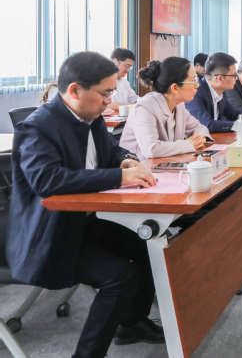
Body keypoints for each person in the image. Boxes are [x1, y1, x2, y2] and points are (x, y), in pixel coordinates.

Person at [7, 51, 164, 358]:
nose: (109, 101)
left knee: (150, 244)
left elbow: (110, 150)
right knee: (121, 276)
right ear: (75, 90)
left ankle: (131, 324)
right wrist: (119, 178)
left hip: (85, 222)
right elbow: (48, 181)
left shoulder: (90, 116)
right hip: (49, 235)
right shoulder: (37, 128)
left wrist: (125, 160)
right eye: (105, 94)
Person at [120, 57, 210, 159]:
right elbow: (152, 149)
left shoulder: (178, 105)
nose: (197, 85)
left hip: (165, 163)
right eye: (193, 80)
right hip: (138, 165)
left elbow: (199, 128)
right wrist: (189, 144)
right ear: (175, 88)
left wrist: (200, 139)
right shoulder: (145, 108)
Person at [186, 52, 242, 132]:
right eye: (234, 75)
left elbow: (233, 112)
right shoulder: (196, 92)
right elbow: (207, 124)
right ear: (219, 78)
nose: (236, 78)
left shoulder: (220, 91)